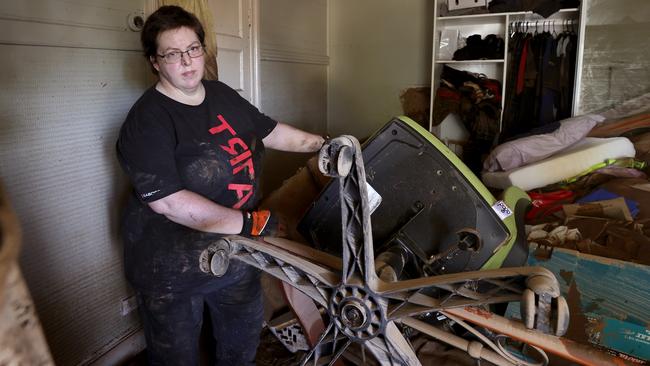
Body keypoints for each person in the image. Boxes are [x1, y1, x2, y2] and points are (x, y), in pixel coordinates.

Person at [115, 5, 325, 365]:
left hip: (234, 252)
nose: (187, 61)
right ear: (154, 61)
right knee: (176, 356)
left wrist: (323, 145)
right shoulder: (146, 122)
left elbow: (270, 131)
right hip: (171, 265)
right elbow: (169, 202)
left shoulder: (221, 94)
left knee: (241, 341)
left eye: (193, 48)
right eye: (172, 53)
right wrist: (252, 223)